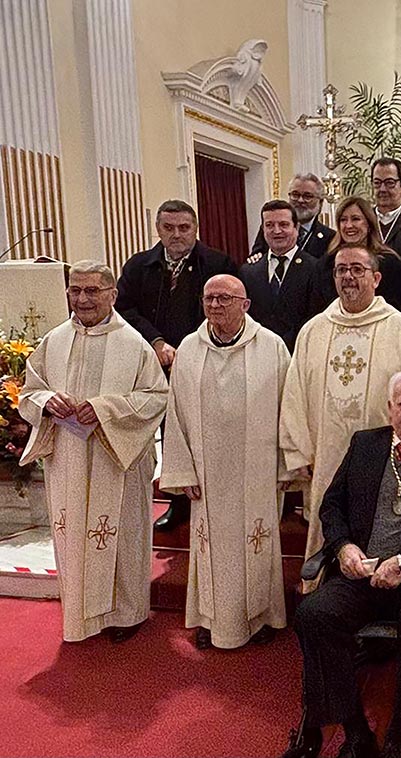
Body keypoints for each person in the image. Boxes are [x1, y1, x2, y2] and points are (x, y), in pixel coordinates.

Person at [281, 371, 401, 758]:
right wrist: (342, 548)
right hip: (360, 573)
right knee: (313, 613)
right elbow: (332, 505)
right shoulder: (364, 446)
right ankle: (354, 729)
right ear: (389, 408)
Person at [18, 261, 168, 642]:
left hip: (114, 458)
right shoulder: (54, 340)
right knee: (73, 535)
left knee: (118, 534)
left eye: (92, 291)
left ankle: (126, 613)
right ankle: (80, 615)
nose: (82, 299)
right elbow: (28, 391)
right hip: (67, 457)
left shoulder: (132, 344)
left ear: (112, 295)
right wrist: (49, 401)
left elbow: (156, 398)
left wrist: (105, 409)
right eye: (75, 290)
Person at [280, 246, 401, 586]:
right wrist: (298, 450)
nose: (348, 276)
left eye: (358, 270)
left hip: (389, 456)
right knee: (329, 523)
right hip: (326, 454)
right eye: (341, 270)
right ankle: (324, 598)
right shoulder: (314, 330)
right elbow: (294, 393)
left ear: (376, 278)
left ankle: (386, 597)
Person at [161, 275, 292, 650]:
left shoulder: (271, 347)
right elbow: (177, 412)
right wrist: (183, 468)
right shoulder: (189, 348)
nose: (216, 305)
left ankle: (262, 616)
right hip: (207, 471)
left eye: (224, 298)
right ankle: (211, 619)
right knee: (210, 548)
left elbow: (288, 409)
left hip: (258, 469)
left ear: (245, 304)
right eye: (209, 298)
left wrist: (284, 467)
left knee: (257, 543)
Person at [115, 199, 237, 532]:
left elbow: (227, 308)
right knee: (169, 436)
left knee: (203, 433)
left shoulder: (217, 262)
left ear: (195, 229)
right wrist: (155, 341)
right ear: (158, 229)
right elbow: (125, 311)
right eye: (168, 228)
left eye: (184, 228)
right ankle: (178, 502)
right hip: (152, 363)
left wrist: (194, 347)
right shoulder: (139, 266)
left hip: (205, 362)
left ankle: (216, 501)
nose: (177, 235)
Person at [240, 199, 322, 351]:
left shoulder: (315, 268)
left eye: (283, 225)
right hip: (258, 353)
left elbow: (315, 317)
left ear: (296, 228)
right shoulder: (249, 272)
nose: (276, 231)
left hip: (300, 351)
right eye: (269, 225)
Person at [320, 195, 401, 316]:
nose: (348, 225)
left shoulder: (390, 263)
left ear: (369, 223)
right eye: (343, 220)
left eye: (355, 219)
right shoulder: (326, 263)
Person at [251, 173, 334, 258]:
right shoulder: (270, 228)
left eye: (307, 196)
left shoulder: (330, 237)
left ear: (320, 202)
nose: (300, 200)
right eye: (295, 195)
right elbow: (256, 257)